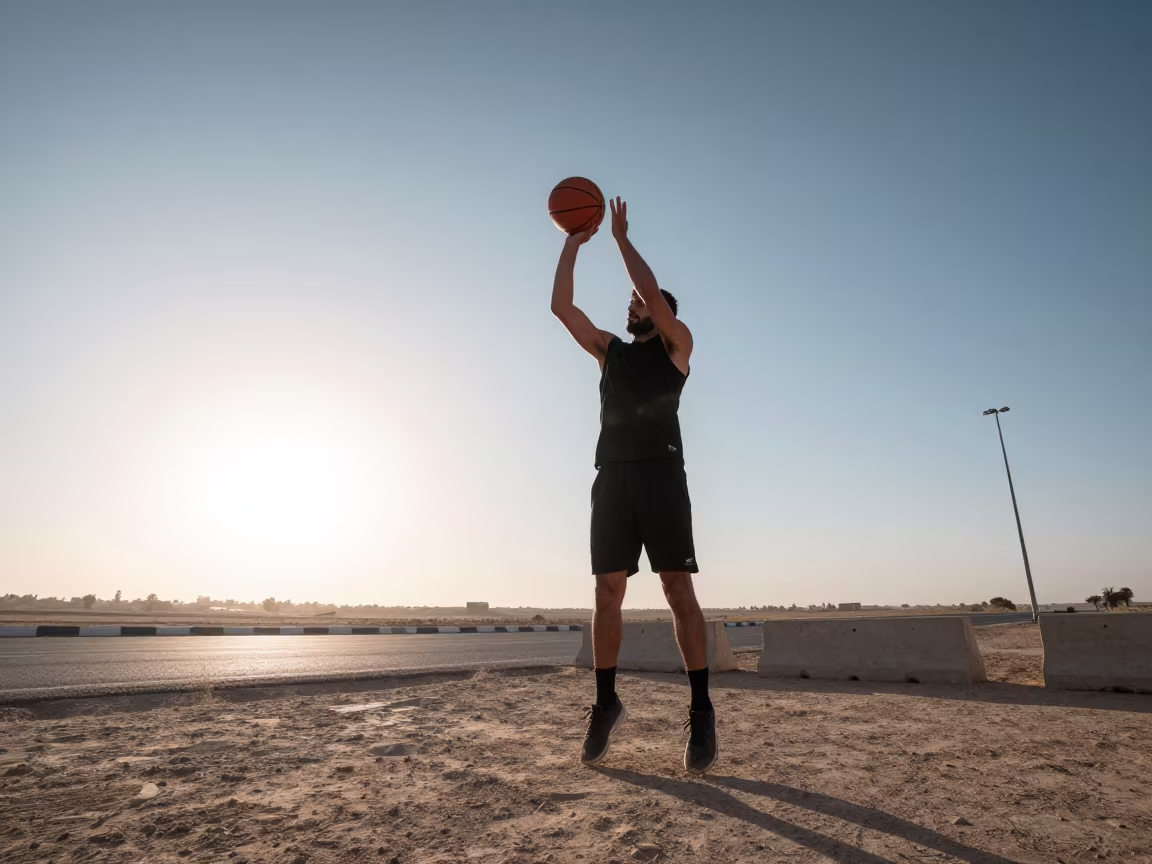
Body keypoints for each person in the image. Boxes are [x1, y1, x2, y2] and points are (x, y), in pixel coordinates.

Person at [550, 196, 717, 775]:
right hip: (613, 479)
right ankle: (605, 701)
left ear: (660, 311)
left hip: (662, 476)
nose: (632, 304)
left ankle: (701, 709)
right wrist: (573, 242)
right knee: (606, 594)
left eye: (640, 301)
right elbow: (561, 307)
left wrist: (621, 240)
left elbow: (649, 290)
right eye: (630, 301)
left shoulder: (677, 348)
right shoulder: (609, 354)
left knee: (678, 591)